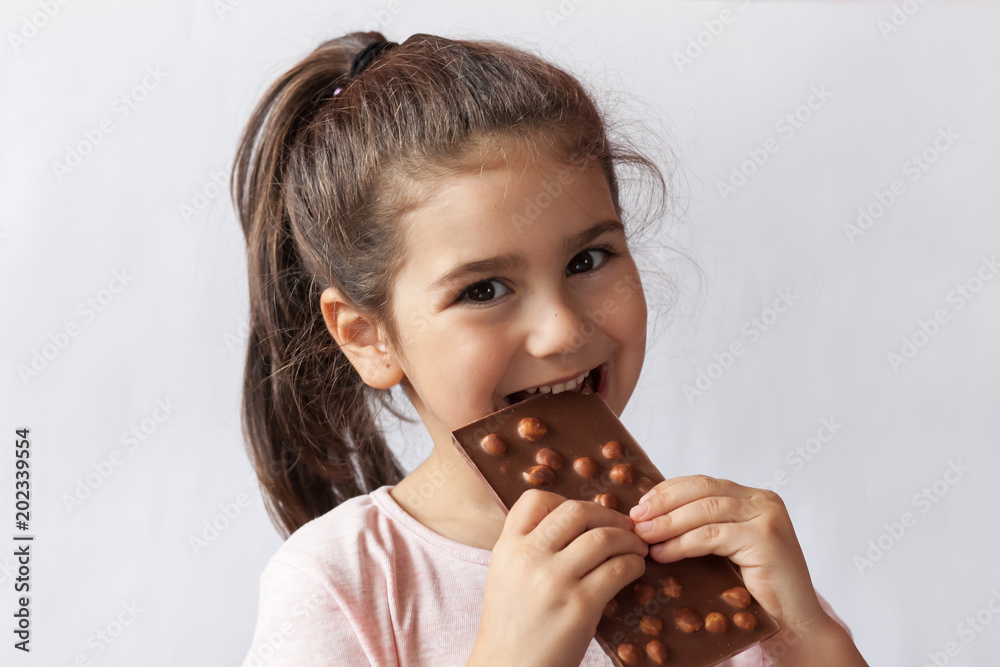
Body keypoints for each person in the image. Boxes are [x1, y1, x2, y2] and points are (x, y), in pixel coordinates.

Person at [234, 30, 868, 667]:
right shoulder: (342, 585)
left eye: (587, 259)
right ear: (366, 336)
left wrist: (810, 639)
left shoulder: (717, 564)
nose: (563, 331)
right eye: (483, 289)